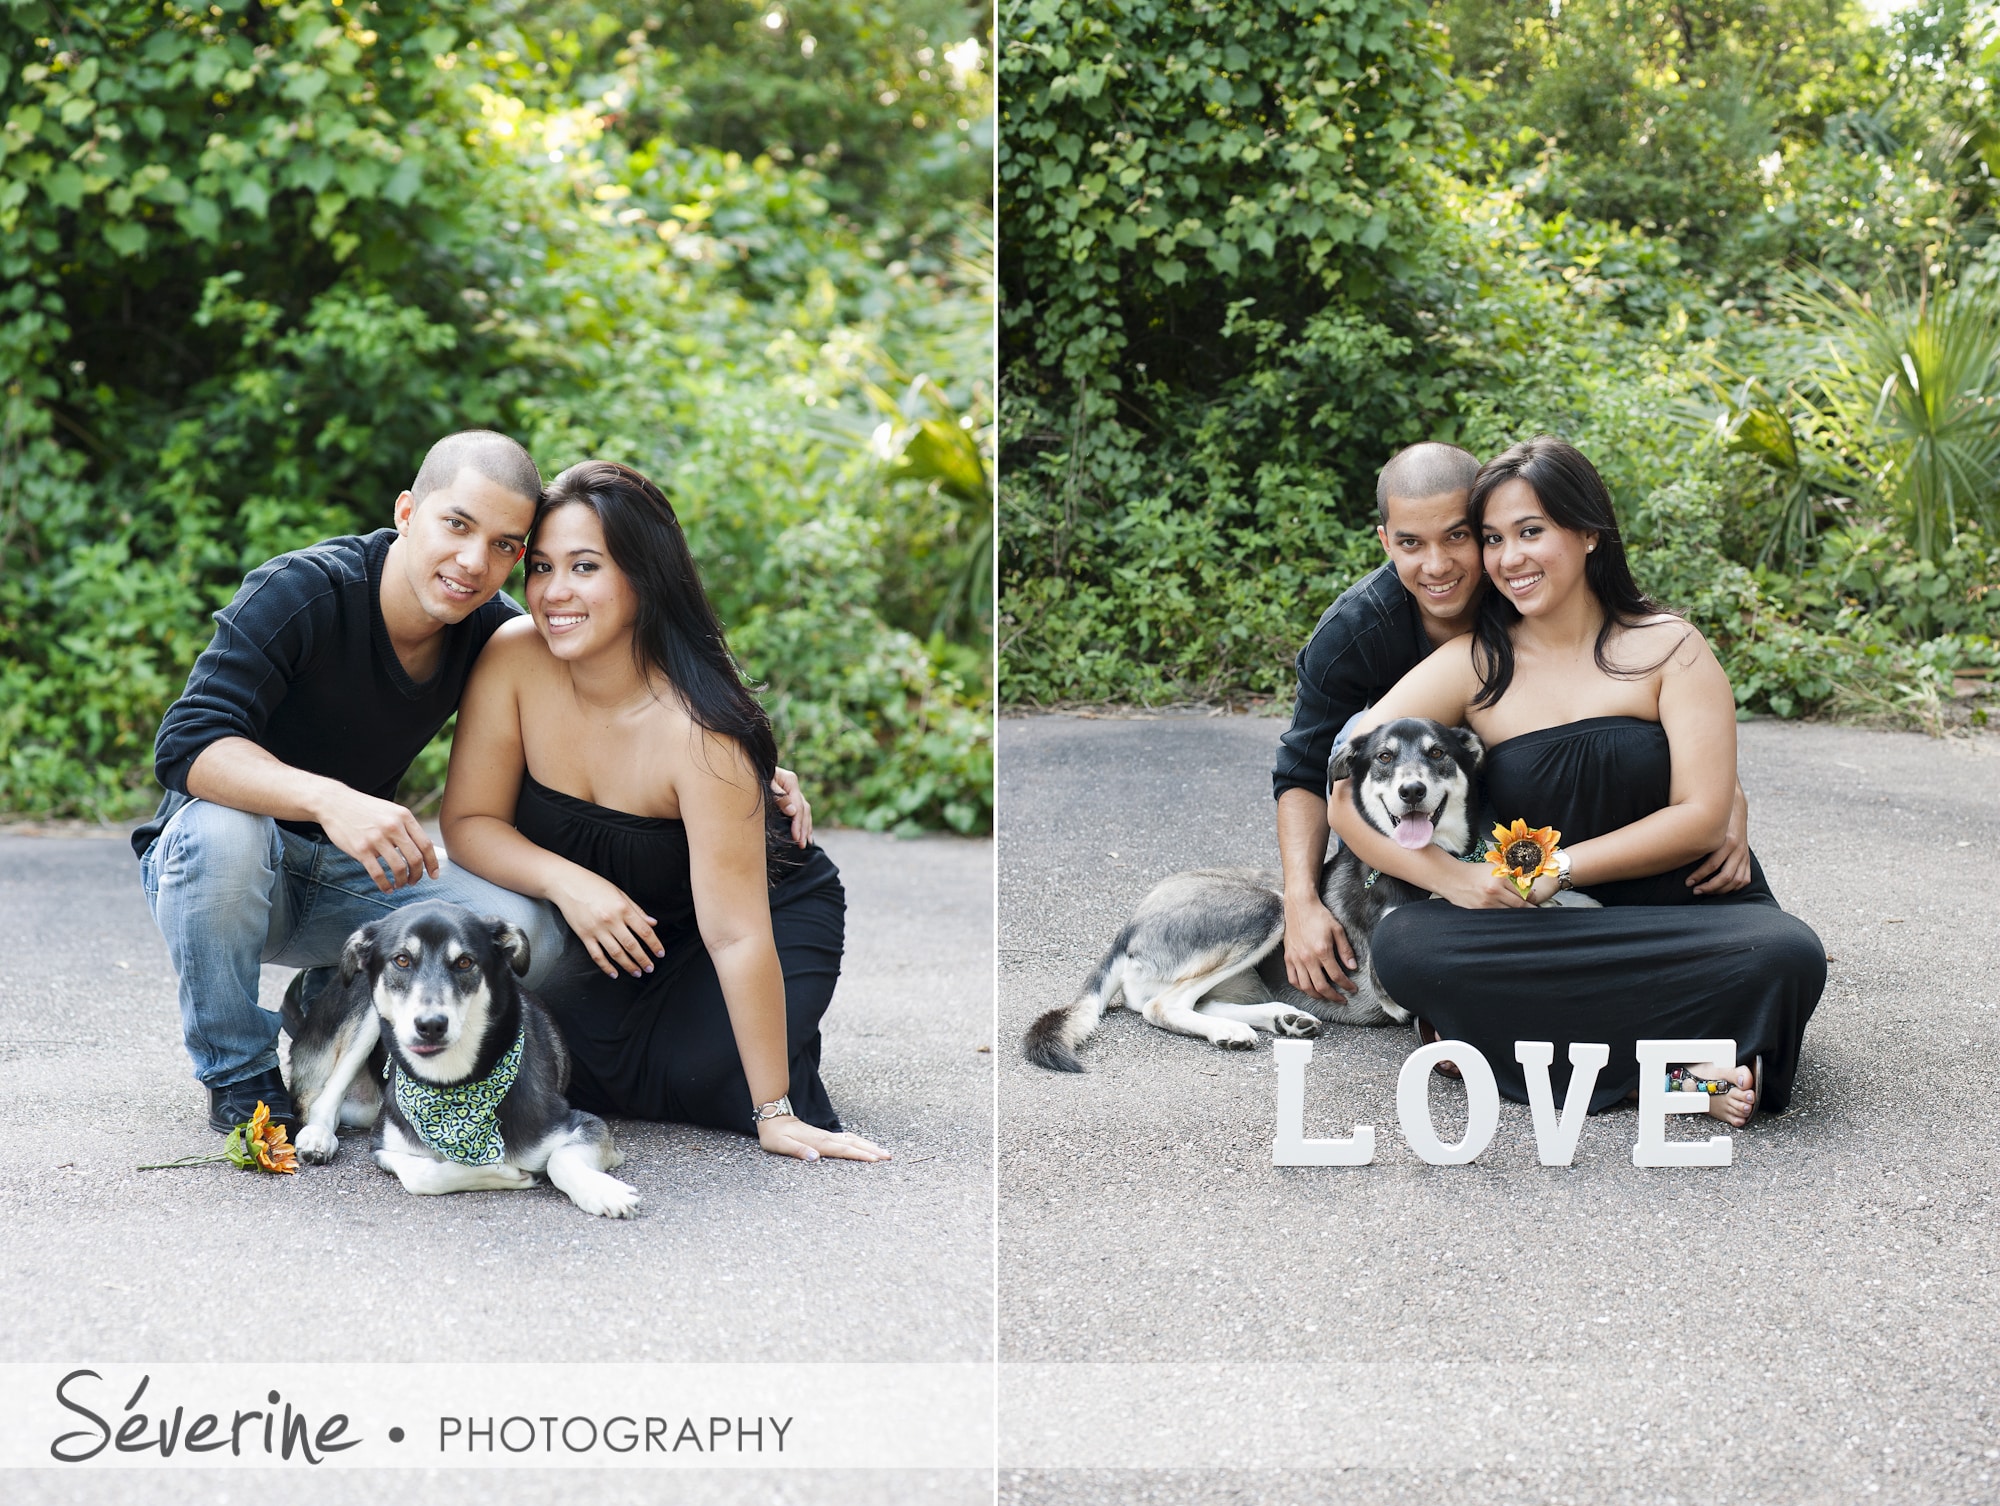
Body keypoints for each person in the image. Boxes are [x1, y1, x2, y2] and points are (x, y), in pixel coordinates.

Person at [135, 431, 809, 1134]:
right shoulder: (304, 591)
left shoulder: (488, 627)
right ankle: (238, 1074)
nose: (473, 562)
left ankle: (332, 997)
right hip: (224, 873)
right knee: (225, 832)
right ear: (406, 512)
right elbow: (187, 742)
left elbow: (607, 671)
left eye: (505, 546)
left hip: (350, 877)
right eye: (457, 525)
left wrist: (743, 762)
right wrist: (330, 800)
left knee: (528, 932)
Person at [1328, 435, 1825, 1124]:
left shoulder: (1670, 648)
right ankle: (1666, 1078)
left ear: (1589, 532)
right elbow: (1344, 789)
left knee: (1787, 953)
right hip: (1540, 929)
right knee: (1410, 945)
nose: (1509, 558)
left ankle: (1505, 1046)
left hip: (1684, 917)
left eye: (1531, 531)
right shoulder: (1474, 664)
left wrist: (1558, 867)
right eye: (1494, 539)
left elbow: (1702, 815)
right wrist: (1452, 878)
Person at [438, 460, 890, 1163]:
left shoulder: (701, 735)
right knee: (529, 1061)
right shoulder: (515, 657)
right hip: (609, 938)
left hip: (752, 917)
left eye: (585, 567)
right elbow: (469, 823)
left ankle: (770, 1054)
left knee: (705, 1081)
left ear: (643, 578)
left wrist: (774, 1113)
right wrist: (570, 883)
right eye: (543, 567)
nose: (555, 592)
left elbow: (736, 934)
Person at [1275, 442, 1754, 1009]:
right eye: (1411, 543)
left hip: (1606, 857)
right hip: (1475, 839)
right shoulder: (1373, 636)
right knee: (1375, 760)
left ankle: (1522, 1009)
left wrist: (1722, 802)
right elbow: (1315, 774)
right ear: (1385, 541)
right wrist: (1304, 901)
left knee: (1779, 953)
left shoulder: (1577, 605)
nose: (1438, 565)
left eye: (1461, 536)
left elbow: (1672, 729)